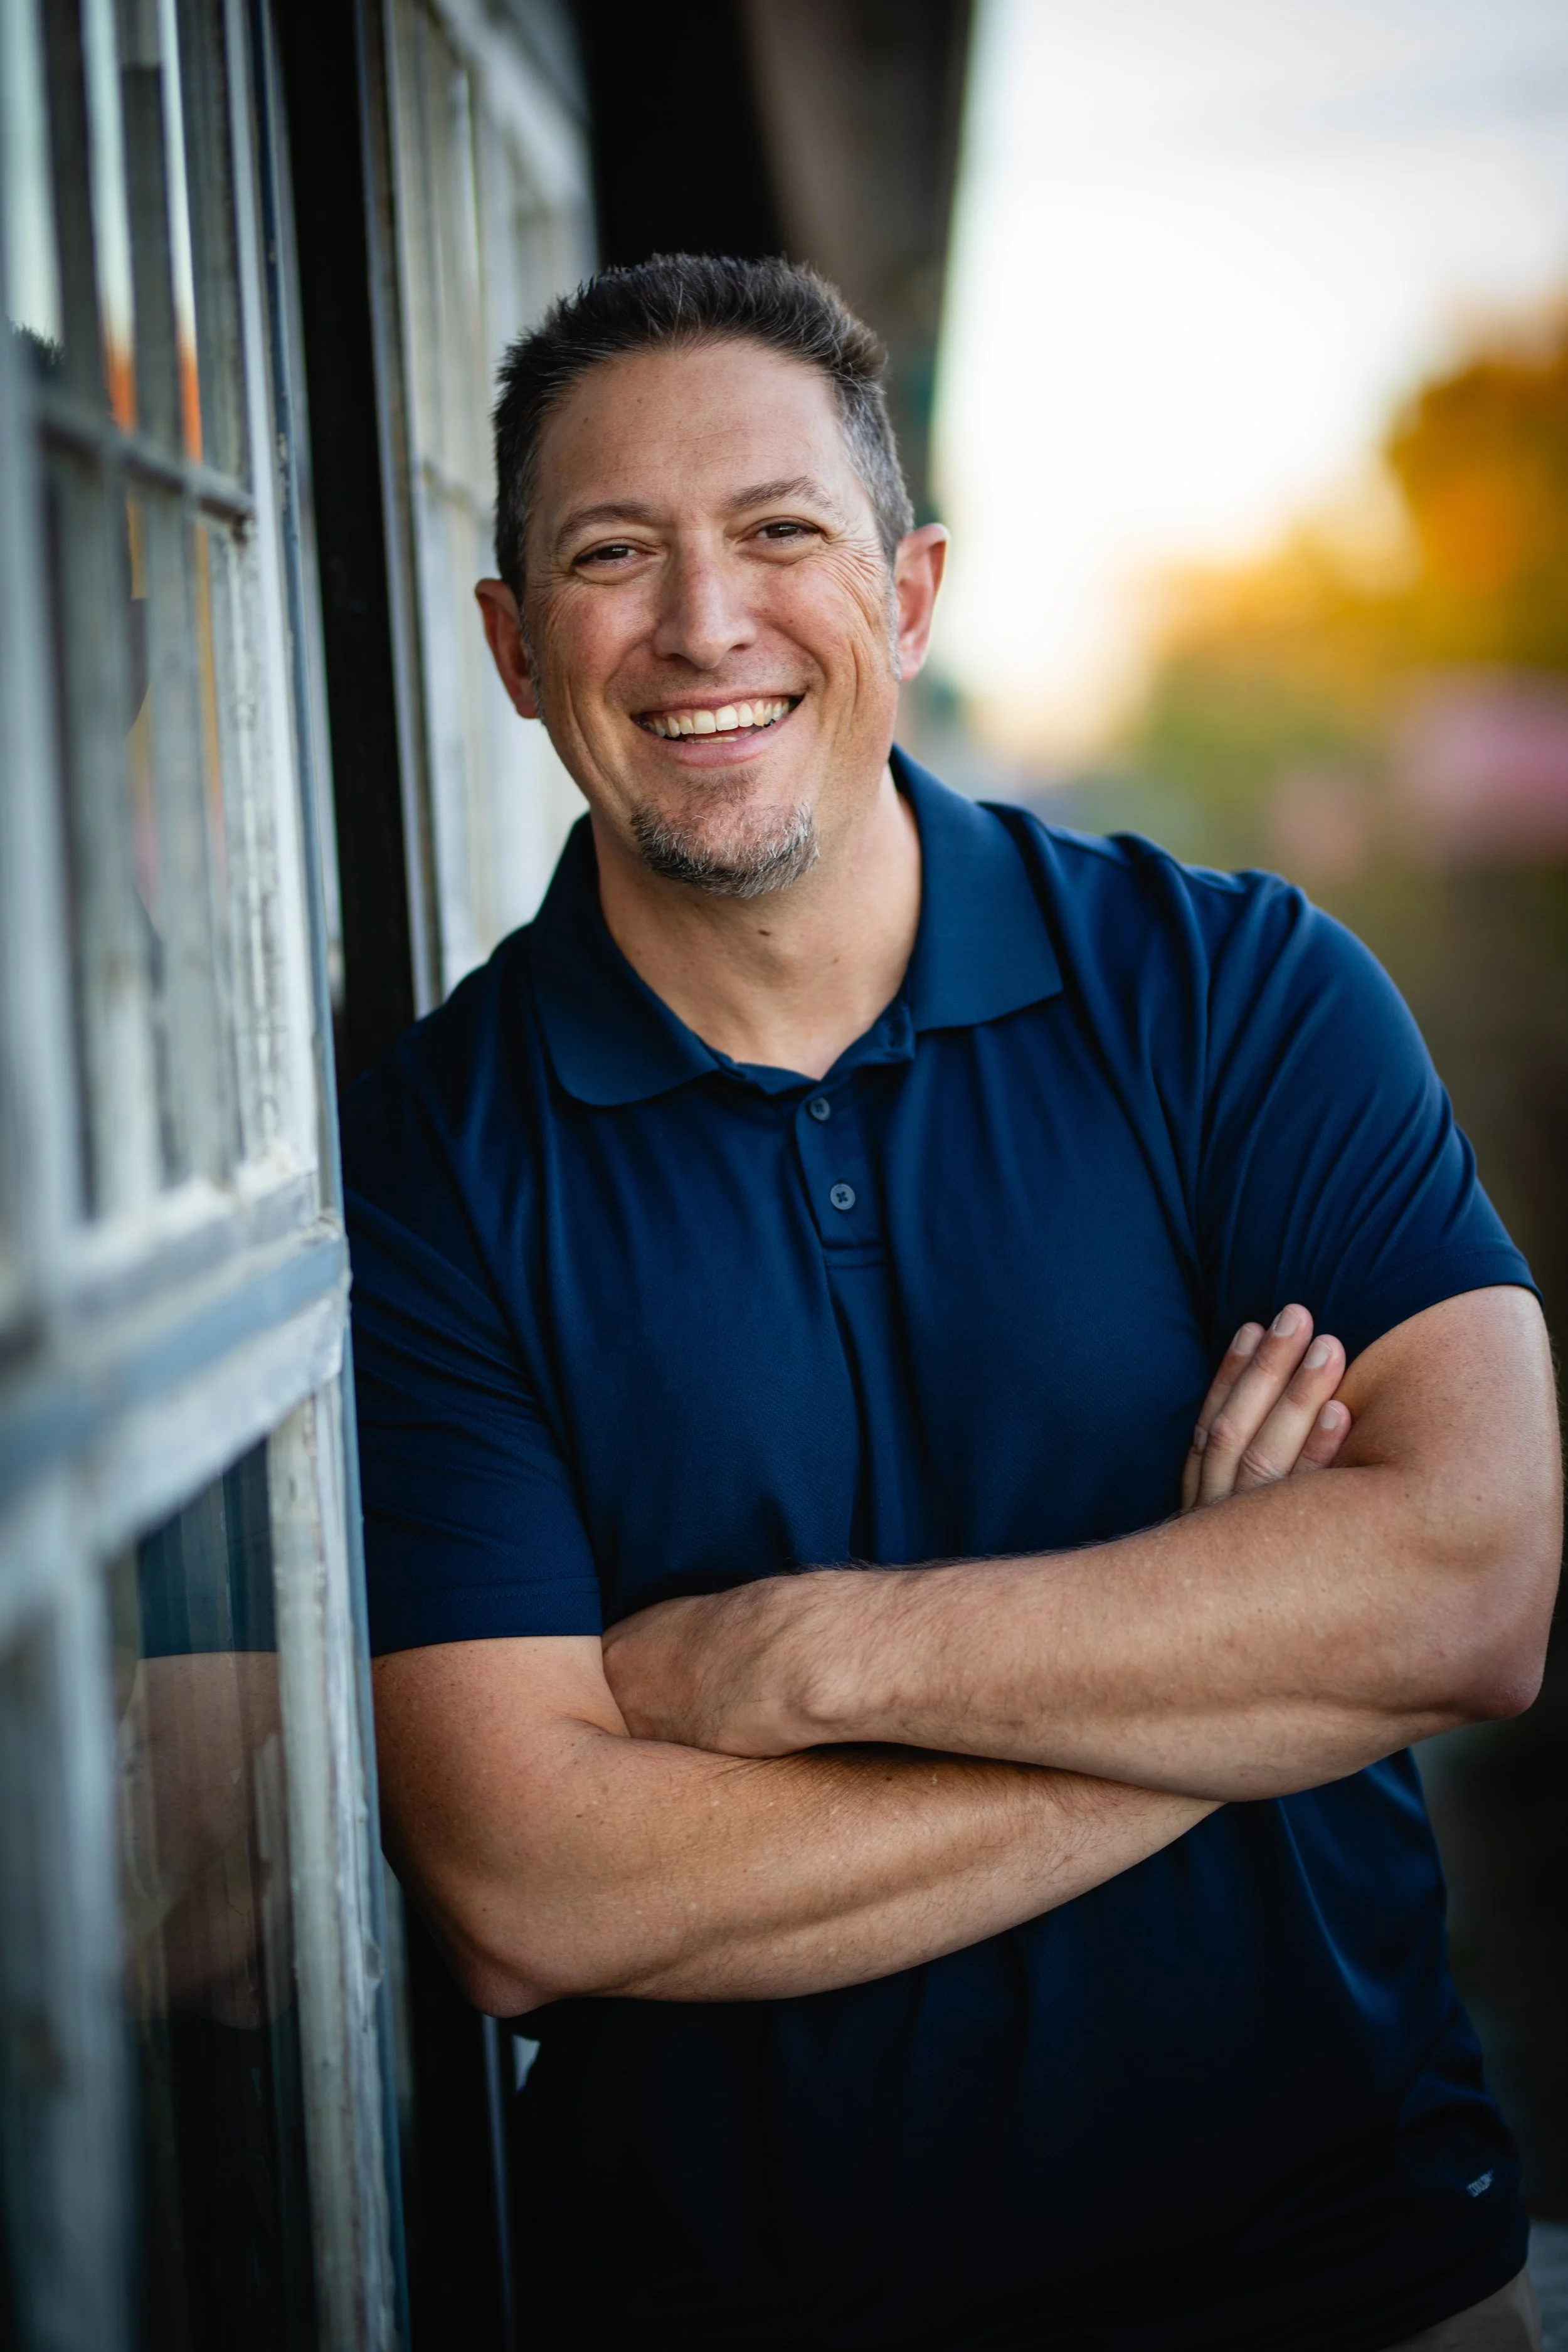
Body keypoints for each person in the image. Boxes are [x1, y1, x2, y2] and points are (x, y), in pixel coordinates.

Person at [344, 257, 1560, 2352]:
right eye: (613, 555)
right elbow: (529, 1887)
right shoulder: (429, 1167)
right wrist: (1228, 1668)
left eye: (779, 535)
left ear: (906, 595)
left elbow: (1468, 1585)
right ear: (515, 649)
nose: (704, 624)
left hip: (1350, 2282)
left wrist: (800, 1656)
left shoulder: (1237, 996)